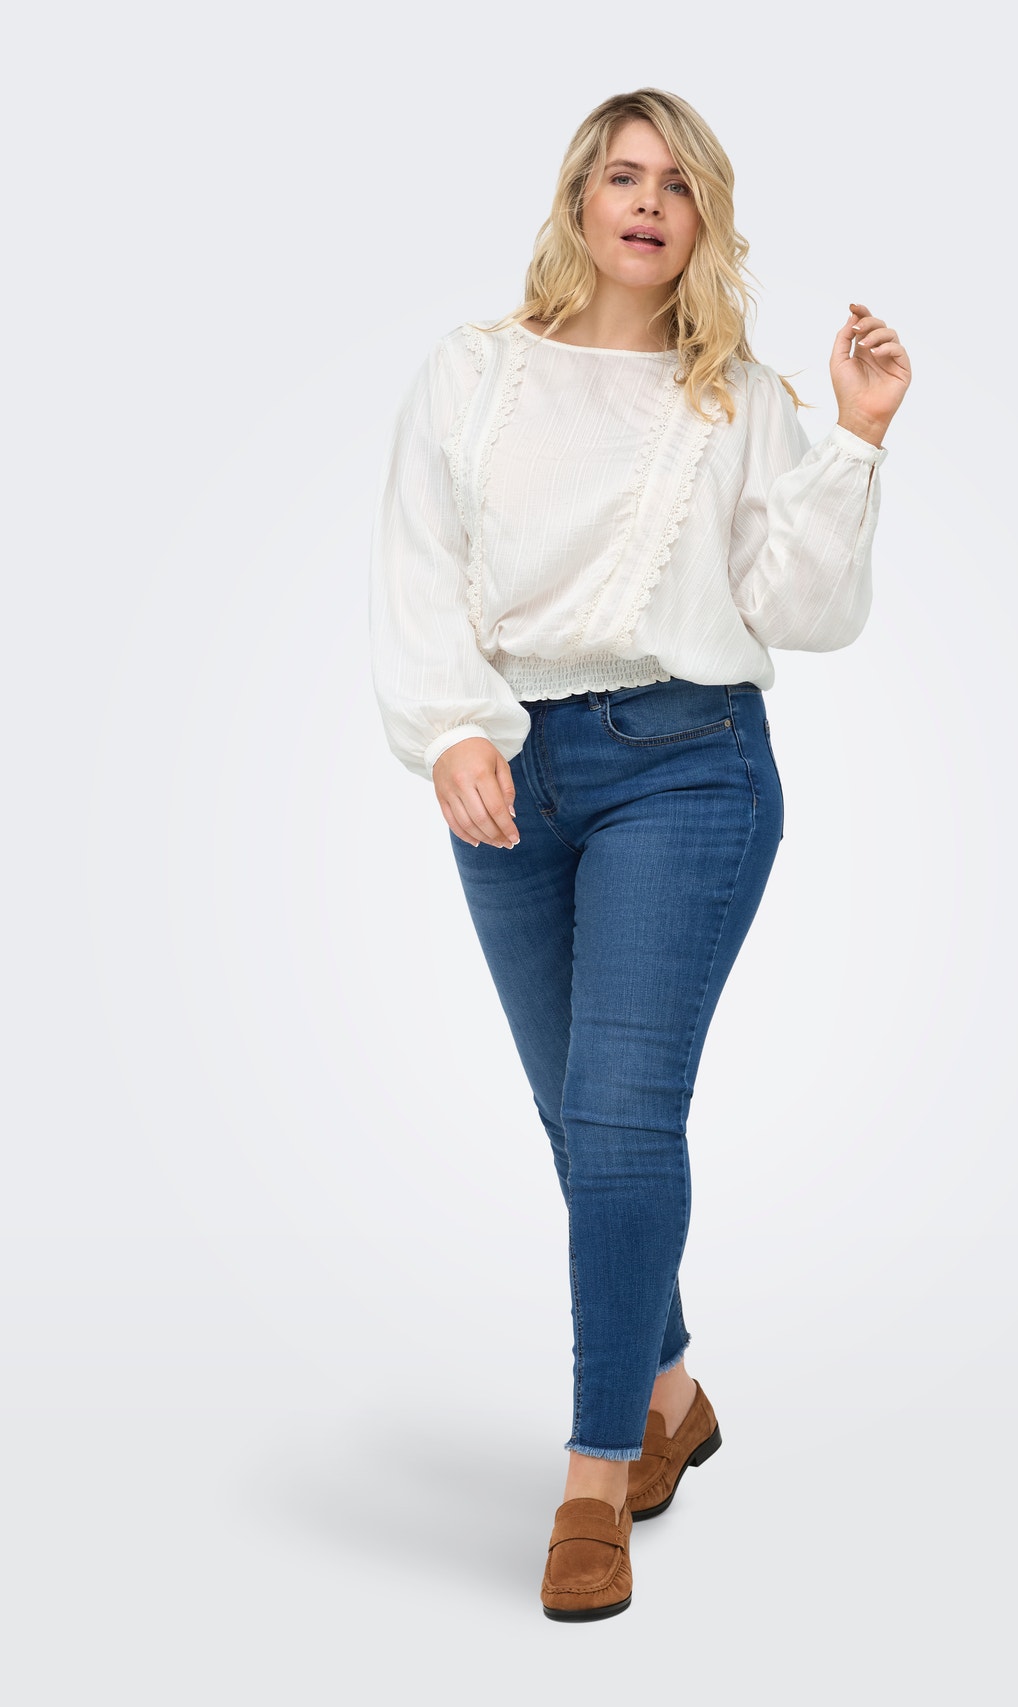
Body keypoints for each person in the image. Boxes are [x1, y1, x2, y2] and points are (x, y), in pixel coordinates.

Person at [368, 86, 911, 1621]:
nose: (649, 203)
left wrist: (855, 440)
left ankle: (597, 1472)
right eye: (623, 176)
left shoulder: (736, 398)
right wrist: (450, 731)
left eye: (678, 184)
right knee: (578, 1120)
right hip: (508, 772)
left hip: (688, 767)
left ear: (705, 220)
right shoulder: (470, 374)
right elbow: (417, 567)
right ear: (579, 202)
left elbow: (805, 610)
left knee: (617, 1121)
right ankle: (670, 1388)